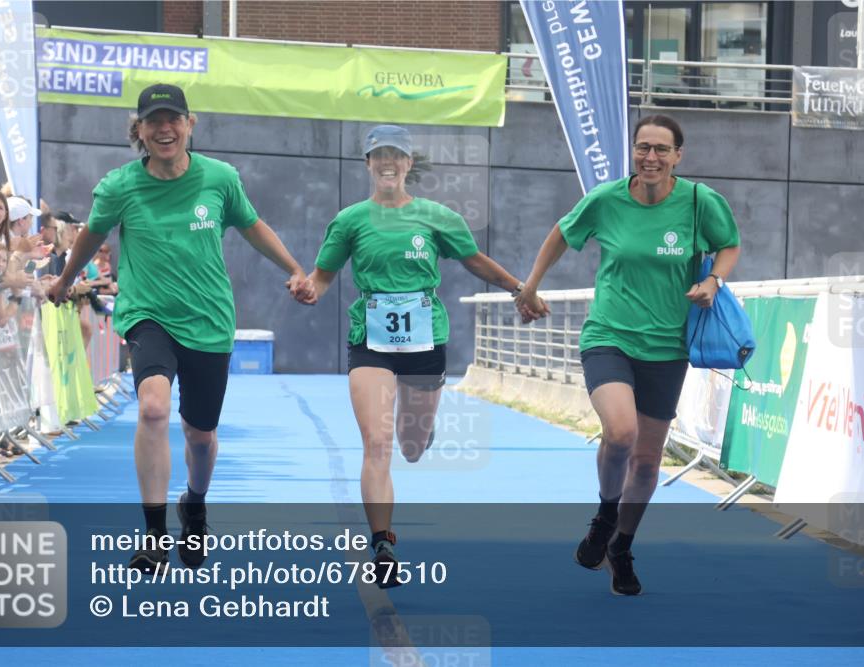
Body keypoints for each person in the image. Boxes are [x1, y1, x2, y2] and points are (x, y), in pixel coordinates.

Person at [47, 83, 313, 572]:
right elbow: (91, 235)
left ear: (190, 124)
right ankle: (154, 535)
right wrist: (64, 280)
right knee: (152, 408)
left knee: (200, 436)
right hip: (148, 314)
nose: (164, 129)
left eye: (173, 119)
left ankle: (195, 502)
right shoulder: (120, 186)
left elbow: (253, 226)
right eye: (154, 122)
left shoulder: (220, 178)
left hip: (209, 320)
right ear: (139, 130)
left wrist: (295, 269)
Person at [515, 114, 742, 596]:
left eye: (661, 149)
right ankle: (604, 517)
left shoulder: (699, 202)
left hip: (668, 346)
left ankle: (621, 546)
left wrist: (713, 280)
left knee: (647, 462)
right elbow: (562, 232)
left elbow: (729, 245)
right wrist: (530, 286)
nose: (650, 157)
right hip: (609, 336)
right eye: (643, 147)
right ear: (633, 151)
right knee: (620, 432)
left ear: (678, 155)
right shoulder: (607, 199)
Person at [296, 125, 527, 588]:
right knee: (377, 443)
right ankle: (382, 544)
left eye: (395, 155)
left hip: (424, 340)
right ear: (368, 164)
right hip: (371, 342)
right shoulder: (350, 220)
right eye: (378, 155)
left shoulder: (437, 217)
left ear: (408, 163)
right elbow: (322, 275)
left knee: (411, 447)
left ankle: (419, 429)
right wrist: (309, 289)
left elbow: (474, 260)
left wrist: (519, 288)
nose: (387, 163)